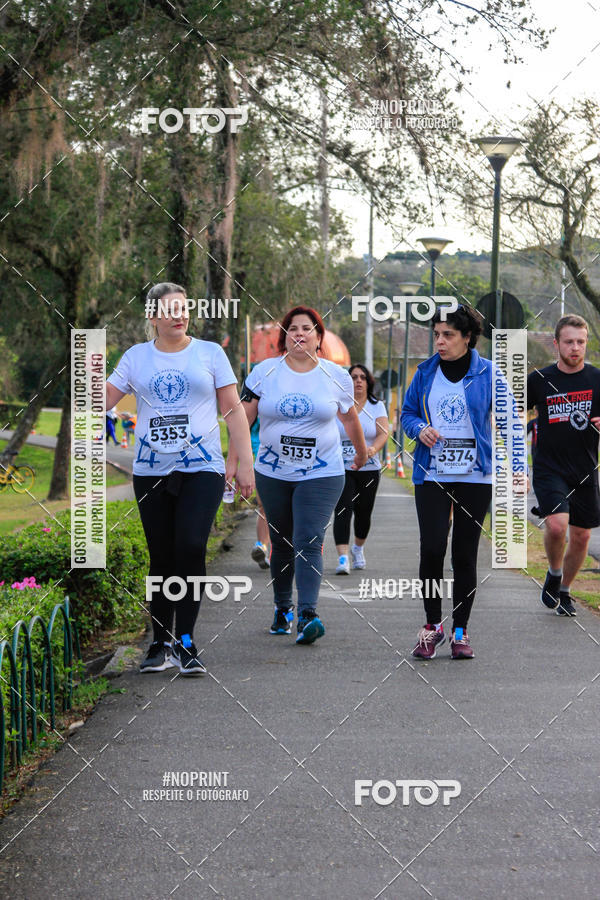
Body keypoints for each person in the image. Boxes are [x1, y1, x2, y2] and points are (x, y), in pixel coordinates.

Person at [106, 282, 254, 675]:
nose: (179, 314)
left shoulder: (210, 353)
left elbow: (234, 410)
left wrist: (245, 463)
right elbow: (98, 401)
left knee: (189, 546)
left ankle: (186, 640)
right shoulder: (136, 357)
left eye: (183, 308)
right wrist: (85, 369)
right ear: (152, 316)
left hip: (202, 468)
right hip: (152, 469)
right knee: (162, 556)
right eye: (169, 309)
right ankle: (159, 642)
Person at [232, 305, 368, 643]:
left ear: (319, 337)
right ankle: (283, 607)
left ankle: (309, 614)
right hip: (273, 471)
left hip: (322, 471)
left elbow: (349, 418)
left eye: (307, 329)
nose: (300, 334)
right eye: (293, 328)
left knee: (308, 538)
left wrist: (362, 452)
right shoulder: (265, 371)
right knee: (280, 540)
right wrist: (233, 461)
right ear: (284, 336)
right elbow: (242, 417)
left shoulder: (336, 376)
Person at [401, 304, 524, 660]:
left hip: (475, 475)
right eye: (436, 334)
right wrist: (419, 429)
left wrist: (519, 467)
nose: (439, 341)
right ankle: (431, 626)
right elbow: (408, 414)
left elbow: (510, 420)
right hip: (432, 473)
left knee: (464, 554)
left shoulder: (489, 373)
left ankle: (460, 630)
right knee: (433, 548)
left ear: (467, 338)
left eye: (448, 335)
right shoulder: (425, 373)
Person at [527, 315, 600, 616]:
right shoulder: (538, 380)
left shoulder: (597, 379)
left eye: (581, 342)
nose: (575, 347)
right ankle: (554, 573)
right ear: (556, 344)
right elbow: (511, 413)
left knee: (582, 535)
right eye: (569, 341)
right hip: (548, 467)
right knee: (557, 526)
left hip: (585, 468)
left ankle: (565, 590)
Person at [333, 364, 388, 573]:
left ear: (368, 382)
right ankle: (342, 558)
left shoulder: (377, 406)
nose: (358, 381)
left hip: (369, 468)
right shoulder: (339, 404)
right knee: (343, 510)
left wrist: (373, 449)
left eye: (362, 377)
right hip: (342, 467)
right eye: (354, 377)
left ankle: (358, 548)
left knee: (364, 513)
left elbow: (383, 433)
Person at [248, 416, 271, 569]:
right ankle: (261, 546)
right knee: (264, 505)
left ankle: (275, 551)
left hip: (288, 459)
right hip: (260, 457)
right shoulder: (256, 396)